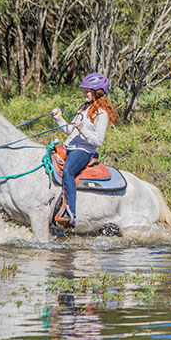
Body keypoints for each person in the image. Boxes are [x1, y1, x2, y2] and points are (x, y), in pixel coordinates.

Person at [52, 72, 117, 227]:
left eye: (88, 90)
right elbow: (70, 131)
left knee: (68, 171)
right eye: (85, 90)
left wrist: (82, 129)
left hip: (84, 151)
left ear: (98, 92)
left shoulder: (102, 114)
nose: (85, 93)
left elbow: (98, 140)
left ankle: (70, 213)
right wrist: (59, 119)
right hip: (70, 146)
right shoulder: (83, 108)